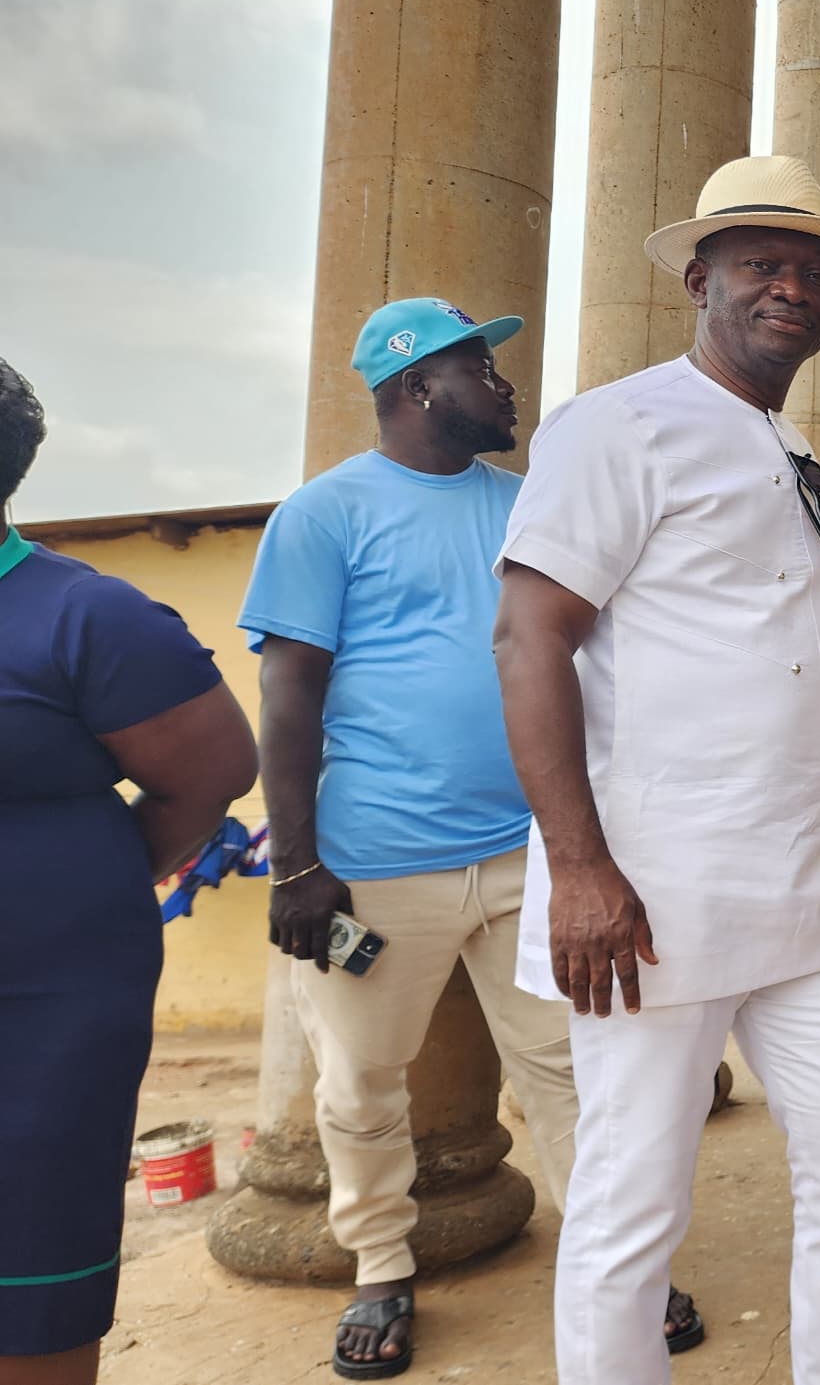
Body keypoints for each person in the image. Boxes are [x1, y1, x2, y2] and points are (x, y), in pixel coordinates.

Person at [493, 155, 820, 1385]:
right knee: (635, 1195)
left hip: (802, 879)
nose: (791, 288)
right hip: (651, 887)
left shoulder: (783, 440)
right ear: (700, 281)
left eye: (811, 272)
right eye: (762, 265)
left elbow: (767, 642)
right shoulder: (619, 426)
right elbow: (529, 637)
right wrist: (579, 869)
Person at [237, 299, 702, 1379]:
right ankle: (379, 1268)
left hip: (533, 852)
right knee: (360, 1083)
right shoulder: (323, 513)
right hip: (375, 864)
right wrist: (296, 863)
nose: (503, 385)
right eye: (478, 369)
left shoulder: (530, 504)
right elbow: (289, 694)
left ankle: (619, 1269)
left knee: (576, 1072)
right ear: (415, 388)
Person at [0, 359, 259, 1385]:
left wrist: (88, 888)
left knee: (31, 1244)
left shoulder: (82, 615)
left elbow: (212, 773)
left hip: (44, 1000)